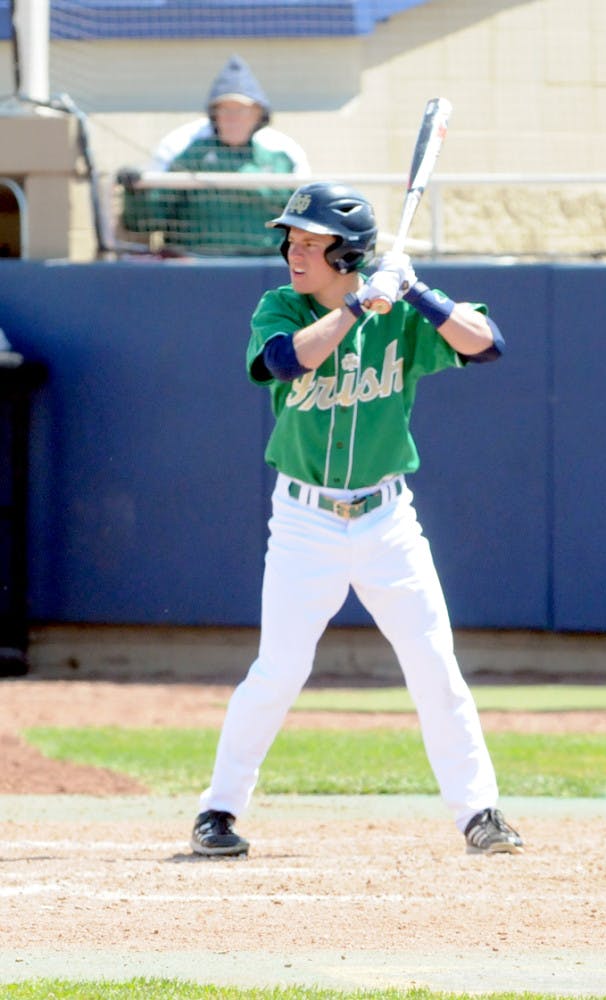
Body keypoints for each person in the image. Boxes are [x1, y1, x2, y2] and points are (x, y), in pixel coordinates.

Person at [190, 181, 524, 858]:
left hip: (386, 521)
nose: (293, 252)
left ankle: (480, 813)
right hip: (304, 521)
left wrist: (417, 293)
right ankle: (217, 811)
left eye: (310, 243)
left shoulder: (399, 310)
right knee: (279, 669)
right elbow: (284, 360)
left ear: (346, 253)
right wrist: (354, 305)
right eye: (291, 240)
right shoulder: (280, 306)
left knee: (433, 664)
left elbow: (488, 344)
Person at [117, 55, 309, 256]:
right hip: (196, 263)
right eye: (225, 110)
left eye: (242, 110)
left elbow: (303, 221)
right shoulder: (188, 154)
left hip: (266, 264)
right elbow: (144, 222)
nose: (233, 118)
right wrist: (135, 193)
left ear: (258, 115)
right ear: (214, 115)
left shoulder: (280, 157)